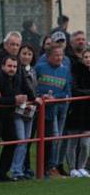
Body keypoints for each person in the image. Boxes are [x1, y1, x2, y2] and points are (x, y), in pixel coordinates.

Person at [0, 56, 37, 181]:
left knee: (12, 141)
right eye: (9, 66)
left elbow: (19, 92)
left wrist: (29, 99)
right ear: (3, 66)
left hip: (9, 115)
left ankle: (1, 173)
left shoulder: (17, 77)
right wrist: (14, 99)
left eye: (14, 67)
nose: (12, 69)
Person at [36, 45, 72, 178]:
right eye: (56, 55)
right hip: (43, 110)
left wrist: (55, 97)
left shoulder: (65, 71)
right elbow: (34, 86)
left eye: (61, 55)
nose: (59, 58)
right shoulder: (40, 68)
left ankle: (51, 167)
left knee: (55, 138)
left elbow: (67, 92)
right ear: (48, 56)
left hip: (59, 108)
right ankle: (46, 167)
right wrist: (41, 95)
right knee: (49, 138)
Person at [64, 49, 90, 177]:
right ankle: (72, 168)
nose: (88, 59)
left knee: (85, 143)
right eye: (85, 57)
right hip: (76, 111)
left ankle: (82, 167)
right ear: (82, 58)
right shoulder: (75, 71)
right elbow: (74, 89)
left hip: (88, 114)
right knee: (73, 141)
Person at [18, 44, 39, 177]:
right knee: (22, 140)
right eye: (24, 53)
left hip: (31, 106)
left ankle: (25, 167)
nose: (26, 56)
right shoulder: (18, 69)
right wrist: (34, 97)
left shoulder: (32, 70)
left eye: (29, 54)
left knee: (28, 139)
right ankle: (18, 169)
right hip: (21, 106)